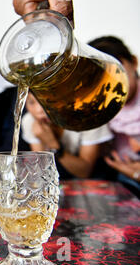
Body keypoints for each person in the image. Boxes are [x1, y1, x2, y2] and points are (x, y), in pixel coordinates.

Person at [88, 36, 140, 190]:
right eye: (101, 76)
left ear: (134, 62)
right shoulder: (102, 105)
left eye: (118, 70)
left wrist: (136, 174)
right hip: (121, 175)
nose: (113, 81)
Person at [22, 92, 113, 179]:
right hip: (59, 177)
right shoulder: (29, 120)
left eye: (47, 101)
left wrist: (53, 145)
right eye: (31, 102)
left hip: (96, 176)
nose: (39, 110)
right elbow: (41, 171)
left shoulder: (89, 118)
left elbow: (85, 172)